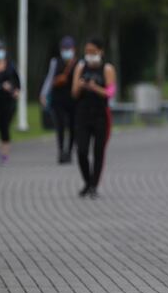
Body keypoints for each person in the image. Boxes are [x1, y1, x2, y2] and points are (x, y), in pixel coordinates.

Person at [72, 38, 116, 199]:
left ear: (100, 51)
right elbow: (73, 93)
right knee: (82, 151)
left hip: (100, 115)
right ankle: (87, 181)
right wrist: (80, 86)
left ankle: (94, 186)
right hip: (82, 114)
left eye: (93, 51)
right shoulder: (80, 67)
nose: (89, 55)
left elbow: (110, 92)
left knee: (98, 151)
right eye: (87, 52)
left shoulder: (107, 69)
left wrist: (95, 87)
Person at [40, 36, 79, 163]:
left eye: (69, 48)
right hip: (58, 99)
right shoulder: (55, 62)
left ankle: (69, 151)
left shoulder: (79, 63)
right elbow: (50, 78)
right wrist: (43, 94)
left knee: (73, 126)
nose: (67, 51)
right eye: (64, 48)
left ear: (73, 49)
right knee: (60, 125)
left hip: (74, 99)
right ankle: (61, 151)